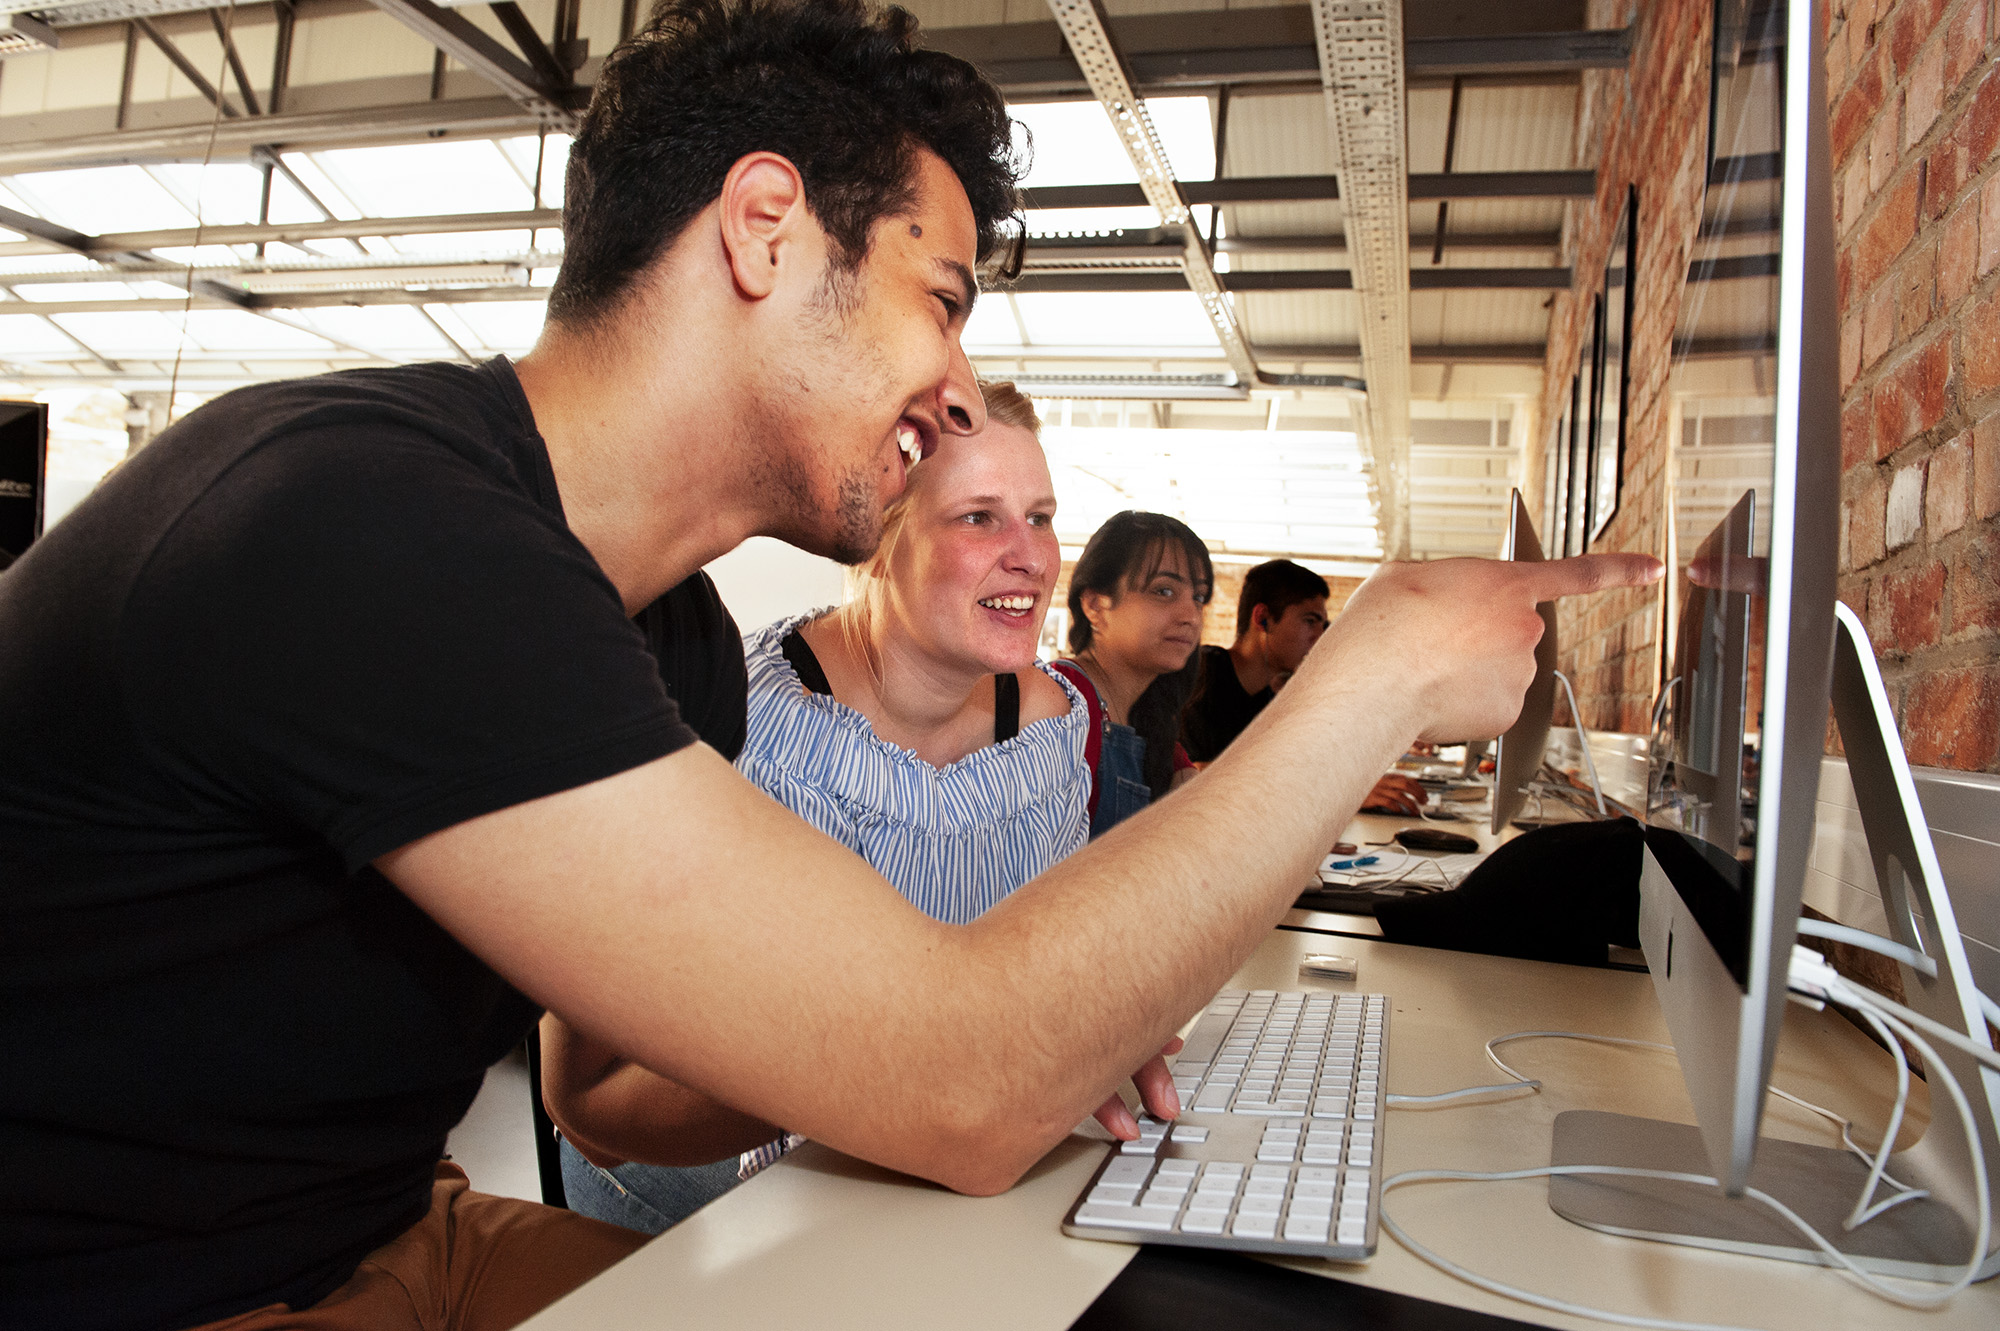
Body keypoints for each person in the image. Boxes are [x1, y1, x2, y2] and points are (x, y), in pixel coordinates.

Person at [0, 1, 1661, 1327]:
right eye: (940, 300)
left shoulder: (660, 639)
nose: (956, 377)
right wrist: (1362, 680)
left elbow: (612, 1098)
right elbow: (960, 1078)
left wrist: (884, 1039)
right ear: (767, 227)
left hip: (394, 1231)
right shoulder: (361, 521)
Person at [552, 381, 1096, 1234]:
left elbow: (1049, 975)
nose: (1030, 555)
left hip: (924, 1169)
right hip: (712, 1174)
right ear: (880, 537)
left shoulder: (1051, 729)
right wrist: (929, 1066)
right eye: (979, 517)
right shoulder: (744, 722)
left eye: (1042, 515)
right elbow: (601, 1099)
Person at [1181, 559, 1427, 816]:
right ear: (1263, 618)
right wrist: (1337, 791)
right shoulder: (1202, 675)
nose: (1320, 639)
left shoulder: (1270, 697)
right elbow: (1195, 774)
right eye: (1310, 621)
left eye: (1323, 626)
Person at [1048, 511, 1209, 837]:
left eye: (1199, 597)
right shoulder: (1061, 697)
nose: (1190, 615)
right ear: (1095, 604)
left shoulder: (1153, 721)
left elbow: (1201, 824)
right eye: (1164, 591)